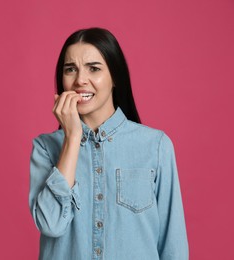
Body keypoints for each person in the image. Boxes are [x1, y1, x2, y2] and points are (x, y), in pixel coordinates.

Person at [29, 27, 188, 260]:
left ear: (115, 77)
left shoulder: (156, 146)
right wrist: (72, 138)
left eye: (93, 68)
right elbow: (50, 225)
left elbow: (173, 245)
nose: (80, 80)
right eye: (70, 69)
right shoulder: (45, 148)